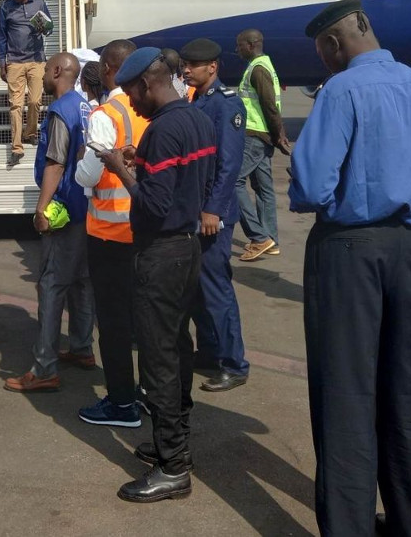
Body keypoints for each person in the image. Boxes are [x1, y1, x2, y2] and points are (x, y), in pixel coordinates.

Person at [290, 0, 411, 537]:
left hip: (348, 250)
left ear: (332, 44)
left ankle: (348, 527)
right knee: (406, 387)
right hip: (409, 250)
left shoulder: (342, 91)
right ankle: (408, 524)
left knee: (345, 392)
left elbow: (312, 186)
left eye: (322, 51)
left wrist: (356, 195)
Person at [96, 47, 216, 503]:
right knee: (178, 348)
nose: (132, 102)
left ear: (147, 84)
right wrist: (140, 160)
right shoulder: (196, 119)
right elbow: (195, 179)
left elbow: (153, 203)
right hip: (188, 248)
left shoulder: (163, 130)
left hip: (161, 253)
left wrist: (121, 169)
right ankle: (175, 442)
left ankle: (173, 467)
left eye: (131, 93)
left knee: (158, 357)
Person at [5, 53, 95, 393]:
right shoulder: (84, 107)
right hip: (86, 208)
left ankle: (44, 367)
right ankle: (82, 347)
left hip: (65, 209)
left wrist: (41, 209)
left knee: (52, 284)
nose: (41, 76)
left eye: (45, 70)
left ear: (57, 71)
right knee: (83, 281)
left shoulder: (60, 110)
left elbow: (55, 163)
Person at [74, 39, 147, 427]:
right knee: (146, 319)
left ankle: (121, 403)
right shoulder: (152, 108)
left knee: (114, 324)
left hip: (110, 231)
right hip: (147, 229)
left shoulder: (106, 114)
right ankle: (149, 393)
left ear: (107, 69)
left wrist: (80, 170)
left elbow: (88, 174)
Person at [180, 38, 250, 393]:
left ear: (213, 66)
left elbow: (229, 164)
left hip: (213, 214)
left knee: (216, 288)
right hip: (196, 212)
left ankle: (233, 364)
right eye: (185, 64)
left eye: (193, 65)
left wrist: (213, 209)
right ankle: (208, 350)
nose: (186, 70)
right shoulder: (199, 100)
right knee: (197, 288)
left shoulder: (226, 104)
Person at [235, 28, 292, 261]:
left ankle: (259, 237)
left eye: (239, 45)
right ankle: (271, 240)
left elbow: (269, 105)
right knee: (263, 188)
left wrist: (279, 134)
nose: (237, 50)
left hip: (255, 135)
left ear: (251, 45)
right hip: (262, 134)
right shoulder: (263, 65)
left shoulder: (258, 69)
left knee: (233, 182)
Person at [0, 0, 50, 160]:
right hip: (14, 62)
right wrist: (2, 63)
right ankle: (17, 148)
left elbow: (49, 29)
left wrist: (45, 29)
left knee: (35, 101)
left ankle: (30, 133)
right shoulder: (6, 7)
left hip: (36, 60)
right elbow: (1, 36)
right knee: (16, 105)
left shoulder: (39, 4)